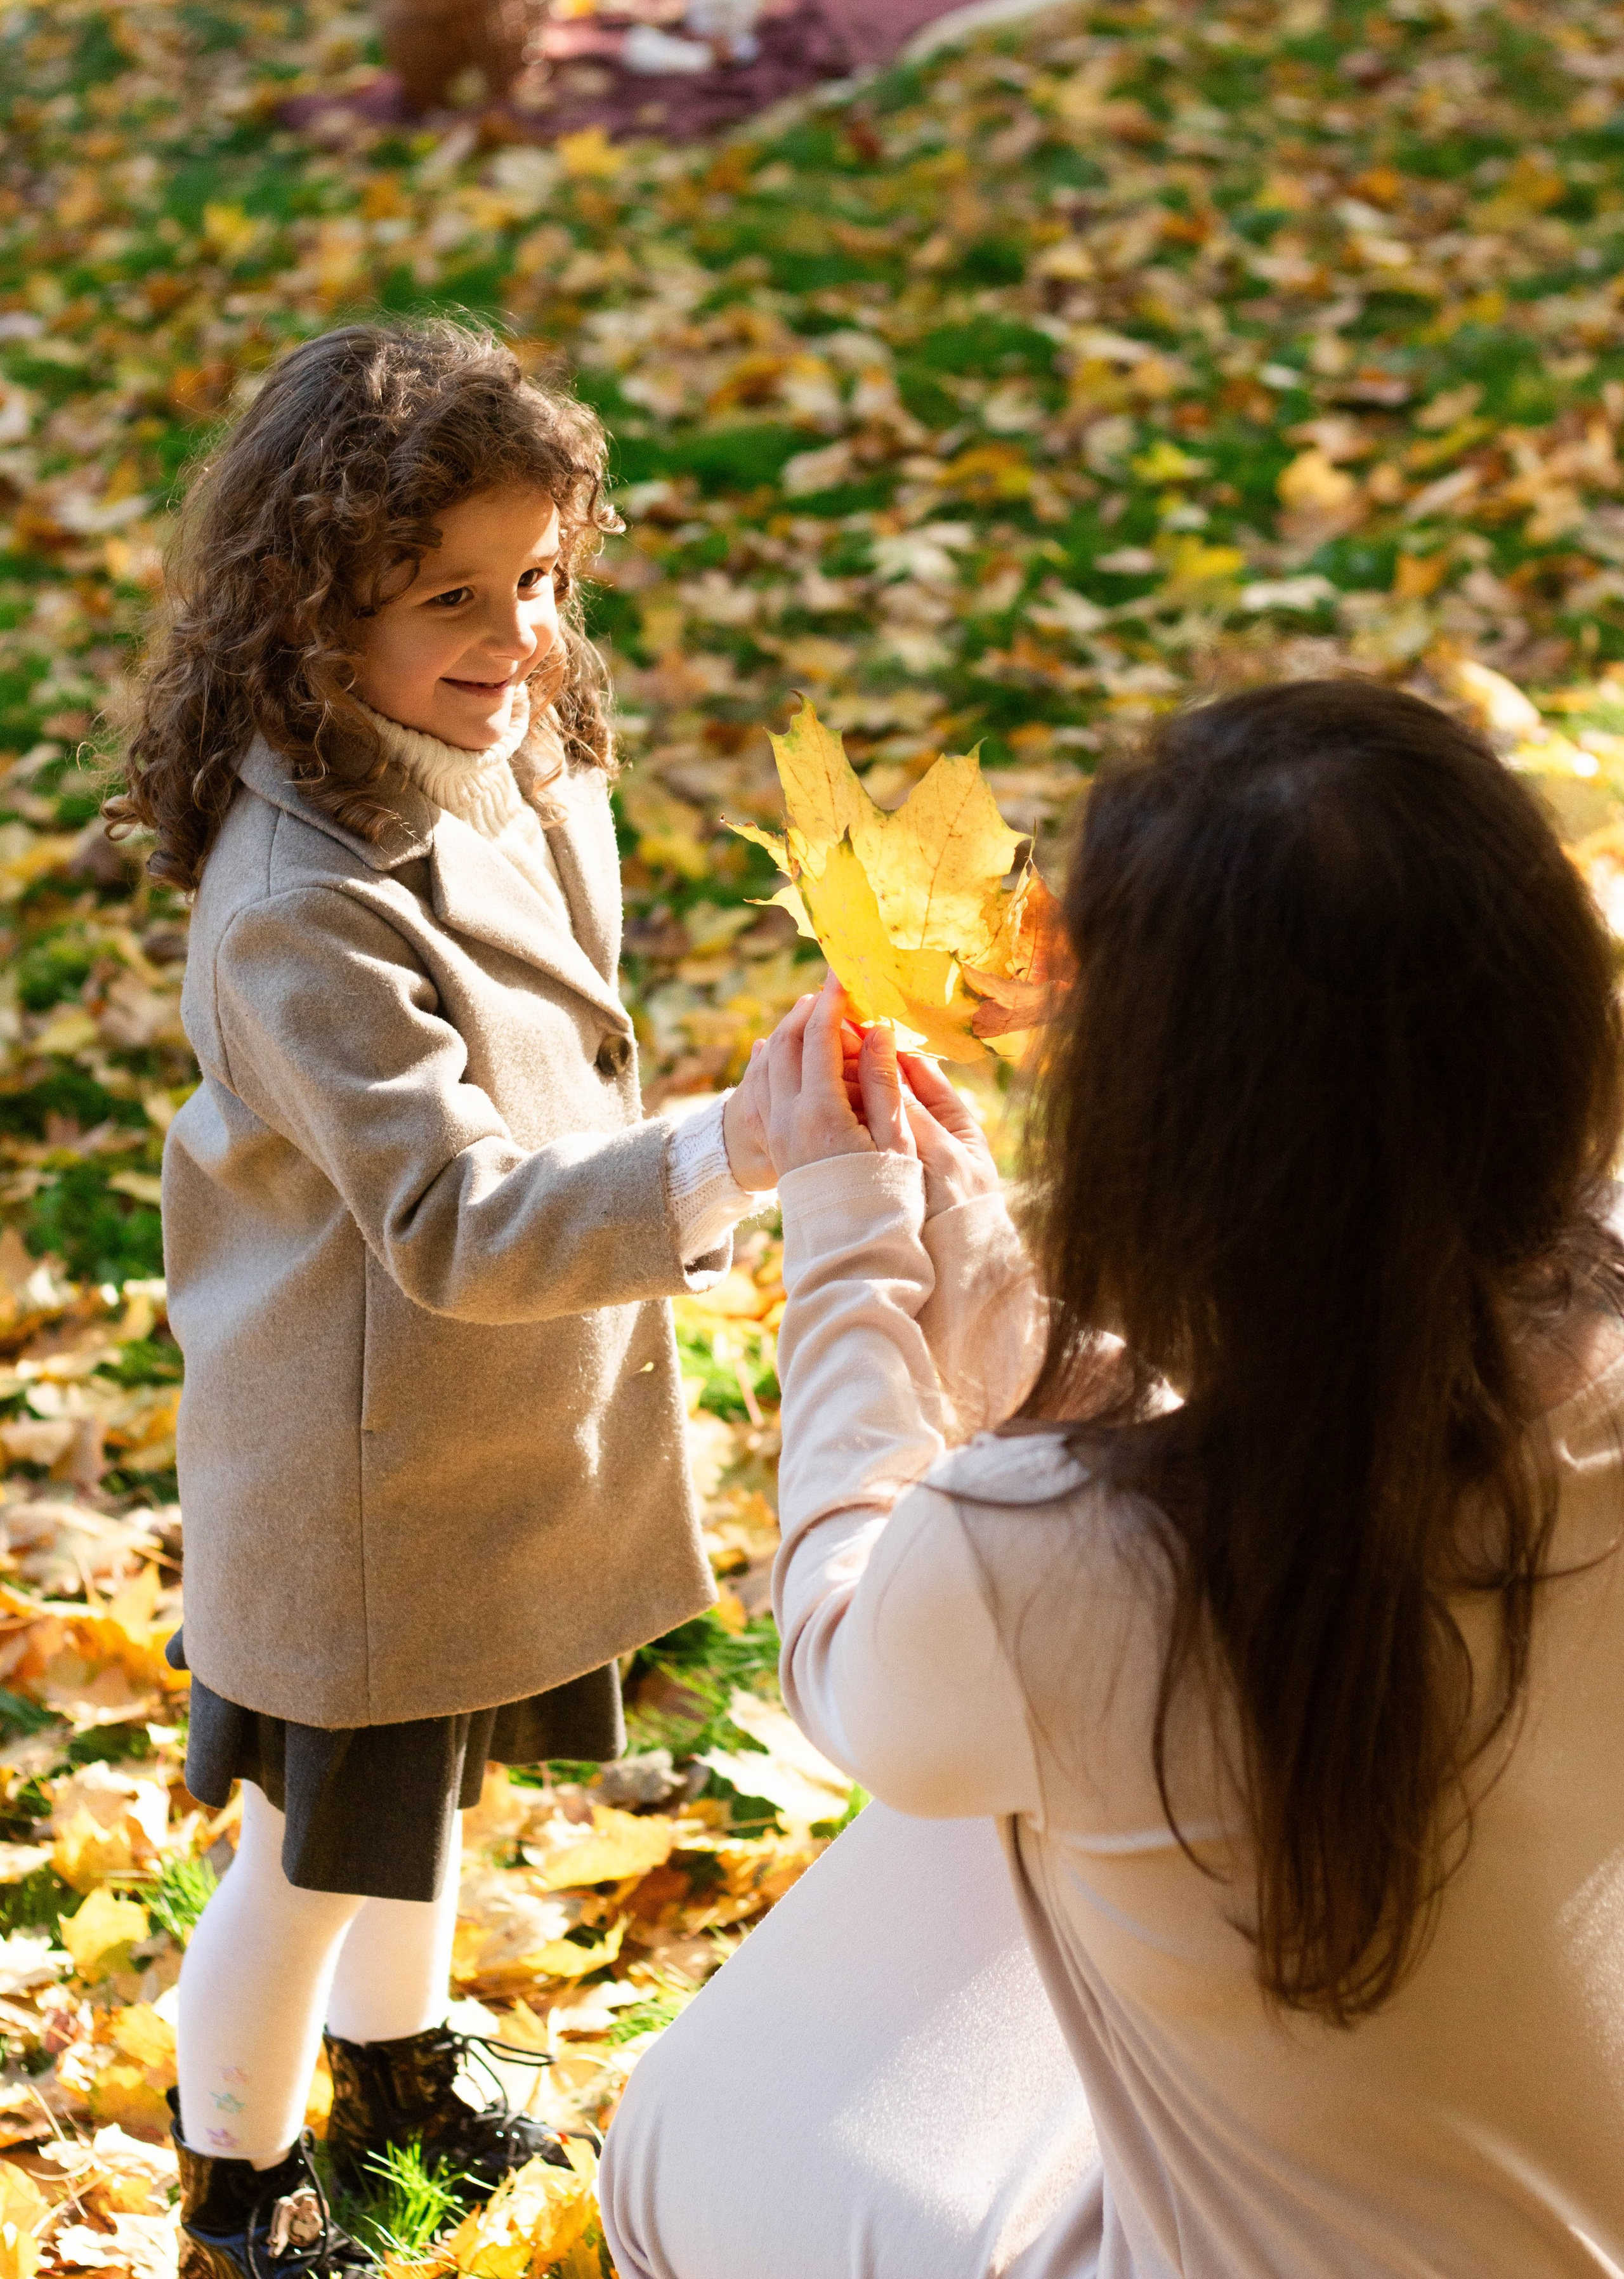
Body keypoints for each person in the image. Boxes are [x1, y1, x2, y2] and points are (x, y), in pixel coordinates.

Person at [601, 683, 1624, 2278]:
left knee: (676, 2129)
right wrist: (1003, 1293)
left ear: (1164, 1122)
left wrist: (853, 1239)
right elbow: (1307, 1411)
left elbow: (838, 1655)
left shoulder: (1034, 1563)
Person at [106, 318, 782, 2279]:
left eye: (543, 581)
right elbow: (453, 1217)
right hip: (366, 1462)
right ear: (314, 620)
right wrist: (728, 1153)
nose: (519, 638)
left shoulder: (518, 762)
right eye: (450, 598)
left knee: (436, 1791)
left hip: (487, 1436)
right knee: (313, 1859)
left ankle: (400, 2067)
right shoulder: (299, 898)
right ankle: (236, 2174)